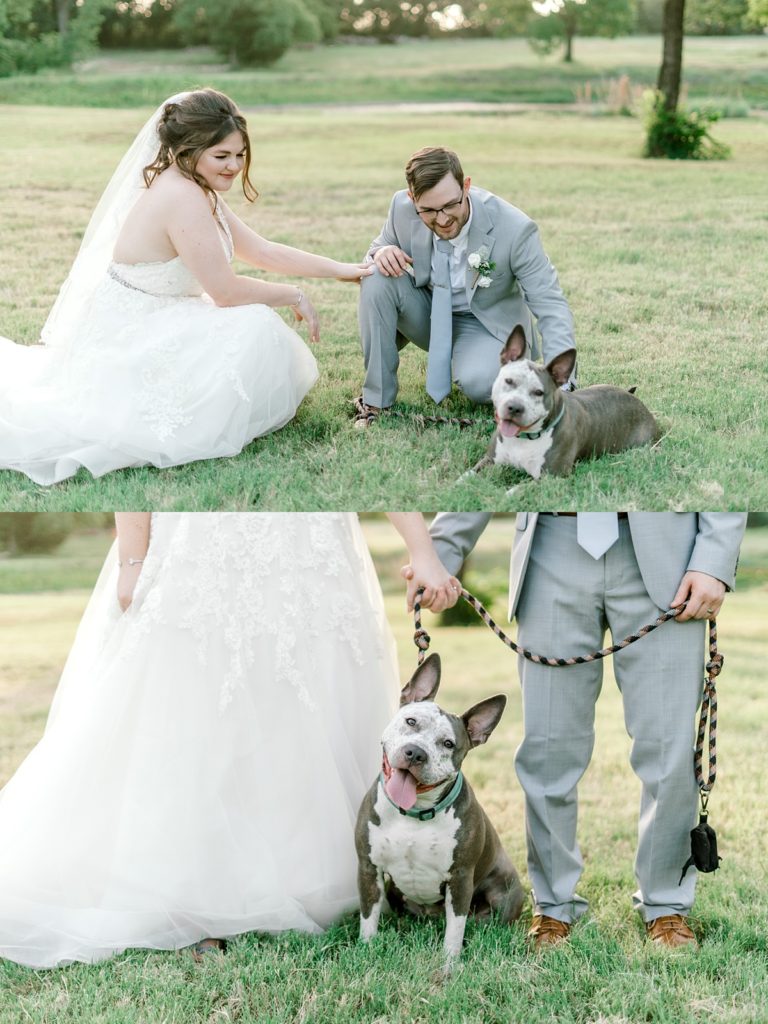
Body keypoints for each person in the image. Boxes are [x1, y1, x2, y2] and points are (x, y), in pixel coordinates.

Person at [0, 512, 459, 969]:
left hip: (312, 554)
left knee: (300, 714)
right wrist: (133, 558)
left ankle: (313, 877)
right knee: (193, 710)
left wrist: (421, 548)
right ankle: (194, 895)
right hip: (202, 551)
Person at [409, 512, 747, 950]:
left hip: (673, 552)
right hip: (552, 544)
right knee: (548, 749)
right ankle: (552, 906)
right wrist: (439, 552)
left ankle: (666, 906)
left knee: (671, 746)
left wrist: (714, 558)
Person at [0, 89, 373, 485]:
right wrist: (292, 295)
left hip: (163, 310)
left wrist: (341, 270)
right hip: (133, 327)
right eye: (222, 156)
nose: (233, 166)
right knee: (255, 327)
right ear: (188, 150)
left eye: (239, 155)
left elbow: (260, 250)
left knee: (255, 329)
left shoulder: (195, 186)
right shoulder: (182, 196)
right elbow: (226, 292)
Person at [354, 146, 576, 427]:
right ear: (413, 200)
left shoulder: (515, 229)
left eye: (450, 205)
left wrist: (564, 386)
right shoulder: (401, 209)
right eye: (429, 211)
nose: (443, 219)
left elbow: (550, 304)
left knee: (481, 382)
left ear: (466, 186)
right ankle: (376, 401)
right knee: (375, 275)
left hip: (486, 325)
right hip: (430, 315)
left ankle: (468, 361)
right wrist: (381, 252)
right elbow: (373, 253)